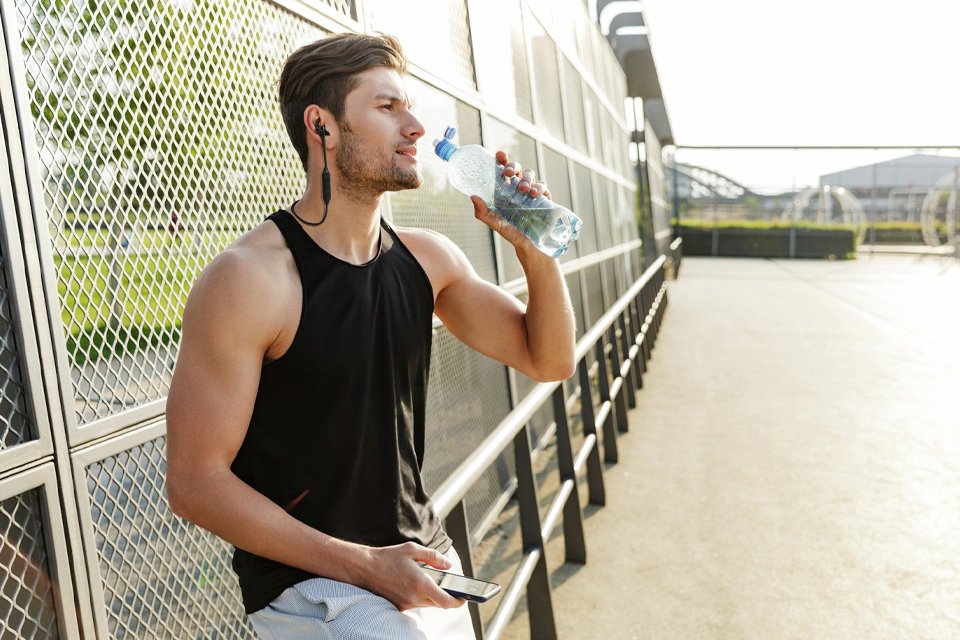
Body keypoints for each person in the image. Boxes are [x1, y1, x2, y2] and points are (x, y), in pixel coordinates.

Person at [165, 32, 575, 639]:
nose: (415, 127)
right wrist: (365, 565)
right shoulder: (249, 278)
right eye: (387, 107)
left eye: (409, 107)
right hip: (313, 585)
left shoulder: (428, 259)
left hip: (423, 564)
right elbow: (194, 484)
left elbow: (549, 359)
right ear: (322, 126)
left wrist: (535, 251)